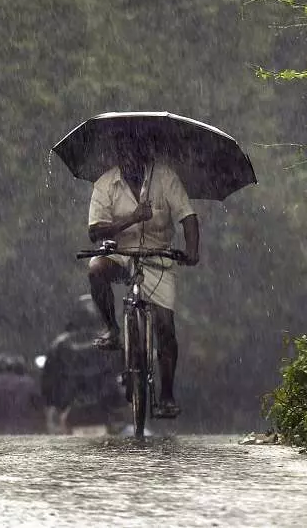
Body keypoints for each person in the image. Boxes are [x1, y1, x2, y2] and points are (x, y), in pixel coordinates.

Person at [86, 132, 199, 419]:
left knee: (165, 326)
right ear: (118, 160)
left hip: (158, 256)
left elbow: (188, 216)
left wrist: (192, 251)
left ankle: (167, 395)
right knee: (96, 268)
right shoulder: (105, 183)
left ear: (145, 157)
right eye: (124, 158)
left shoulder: (166, 179)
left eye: (135, 157)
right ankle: (112, 329)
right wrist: (133, 218)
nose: (130, 164)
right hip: (121, 253)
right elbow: (95, 232)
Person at [40, 295, 125, 434]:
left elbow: (48, 383)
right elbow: (123, 375)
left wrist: (53, 404)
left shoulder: (59, 345)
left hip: (70, 408)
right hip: (105, 407)